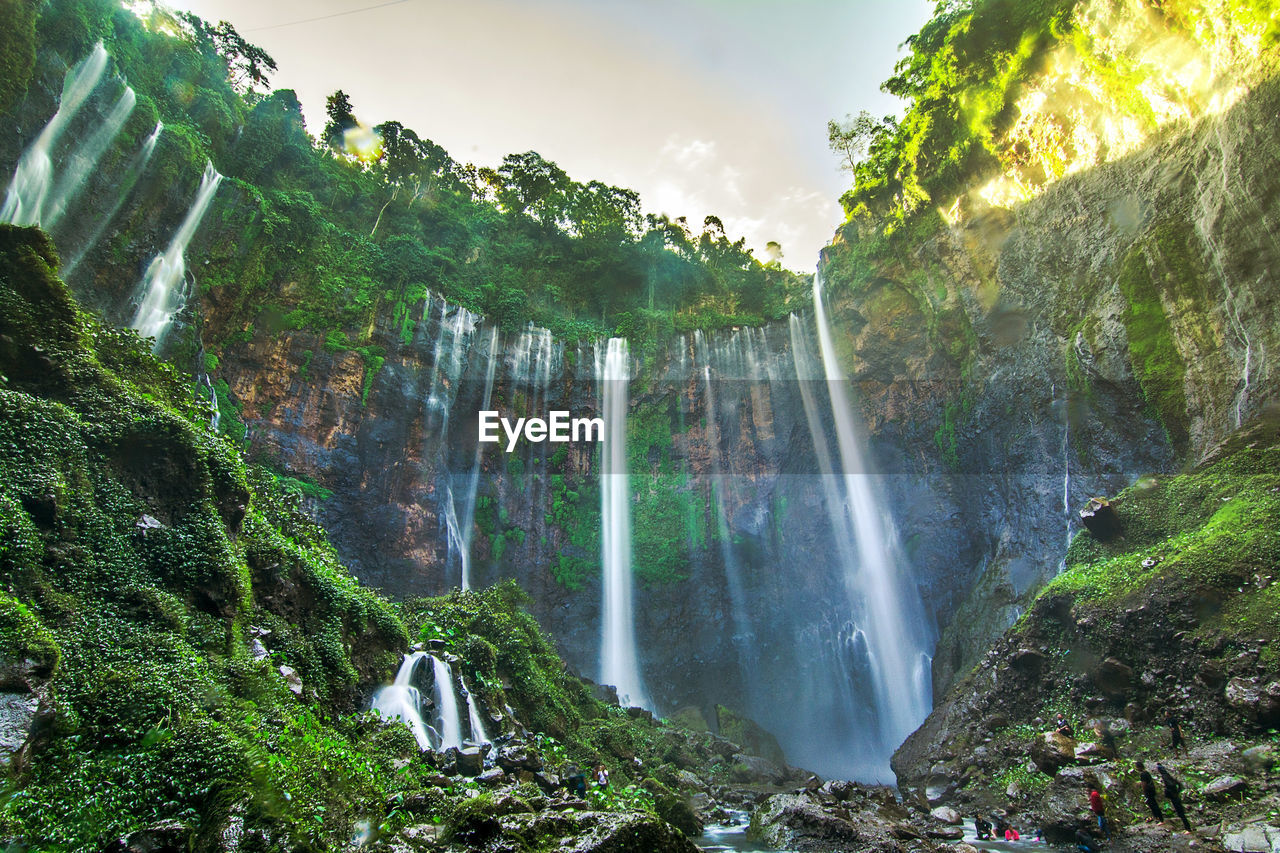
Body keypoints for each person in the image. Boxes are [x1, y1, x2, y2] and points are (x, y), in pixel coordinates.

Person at [1157, 762, 1192, 831]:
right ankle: (1187, 828)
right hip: (1175, 795)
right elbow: (1178, 784)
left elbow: (1172, 785)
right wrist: (1177, 791)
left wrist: (1169, 791)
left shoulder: (1165, 777)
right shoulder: (1168, 775)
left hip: (1174, 797)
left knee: (1181, 813)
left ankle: (1188, 829)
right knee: (1181, 813)